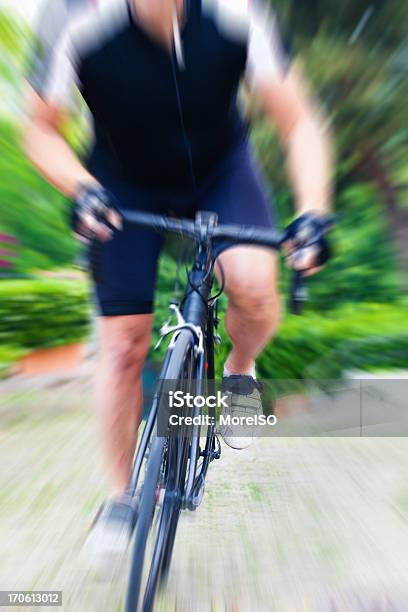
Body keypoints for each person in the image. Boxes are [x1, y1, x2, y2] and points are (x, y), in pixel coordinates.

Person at [24, 0, 332, 558]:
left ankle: (239, 372)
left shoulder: (237, 13)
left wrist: (312, 210)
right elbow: (39, 129)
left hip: (221, 173)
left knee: (255, 288)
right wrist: (79, 186)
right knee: (121, 345)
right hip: (121, 183)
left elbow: (298, 119)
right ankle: (120, 497)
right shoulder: (69, 16)